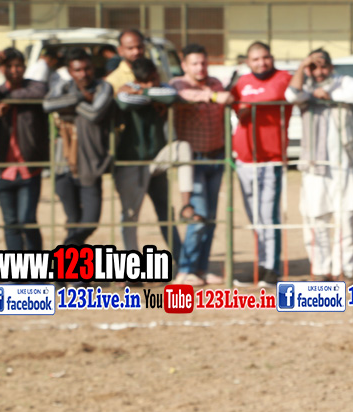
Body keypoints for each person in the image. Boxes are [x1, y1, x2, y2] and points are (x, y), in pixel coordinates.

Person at [286, 49, 353, 282]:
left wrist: (330, 96)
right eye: (313, 67)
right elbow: (291, 95)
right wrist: (303, 68)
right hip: (315, 165)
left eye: (323, 65)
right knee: (315, 218)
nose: (319, 71)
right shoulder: (305, 88)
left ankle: (342, 270)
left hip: (345, 163)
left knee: (345, 219)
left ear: (331, 67)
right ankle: (321, 269)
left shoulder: (343, 83)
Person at [231, 41, 293, 287]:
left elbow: (276, 95)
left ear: (272, 57)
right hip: (245, 158)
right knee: (255, 217)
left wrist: (250, 104)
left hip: (271, 158)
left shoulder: (283, 77)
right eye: (255, 59)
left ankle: (272, 268)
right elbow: (234, 105)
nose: (261, 63)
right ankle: (261, 264)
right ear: (248, 62)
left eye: (265, 57)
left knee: (268, 215)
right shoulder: (242, 82)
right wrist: (242, 107)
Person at [171, 43, 233, 286]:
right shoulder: (178, 84)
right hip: (192, 161)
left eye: (203, 62)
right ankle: (185, 270)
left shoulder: (215, 82)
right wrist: (214, 97)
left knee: (211, 218)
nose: (200, 67)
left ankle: (201, 268)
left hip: (216, 156)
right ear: (185, 65)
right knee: (198, 215)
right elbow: (183, 96)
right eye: (194, 63)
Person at [113, 57, 185, 261]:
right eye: (145, 82)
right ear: (137, 80)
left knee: (166, 214)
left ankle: (181, 261)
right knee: (130, 215)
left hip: (156, 160)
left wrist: (143, 92)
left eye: (154, 79)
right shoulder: (128, 90)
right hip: (130, 162)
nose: (151, 84)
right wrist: (149, 95)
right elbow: (124, 102)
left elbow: (171, 96)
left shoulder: (159, 89)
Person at [43, 48, 114, 245]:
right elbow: (48, 105)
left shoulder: (103, 87)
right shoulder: (64, 86)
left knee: (90, 222)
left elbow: (94, 113)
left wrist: (67, 105)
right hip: (63, 165)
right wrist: (80, 98)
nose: (83, 74)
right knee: (73, 220)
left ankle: (66, 251)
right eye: (78, 70)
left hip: (90, 165)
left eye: (87, 69)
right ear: (70, 71)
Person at [0, 48, 49, 250]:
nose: (14, 70)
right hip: (3, 169)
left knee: (27, 220)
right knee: (11, 223)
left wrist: (9, 101)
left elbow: (40, 93)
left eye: (19, 66)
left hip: (29, 168)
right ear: (2, 69)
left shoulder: (35, 87)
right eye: (9, 66)